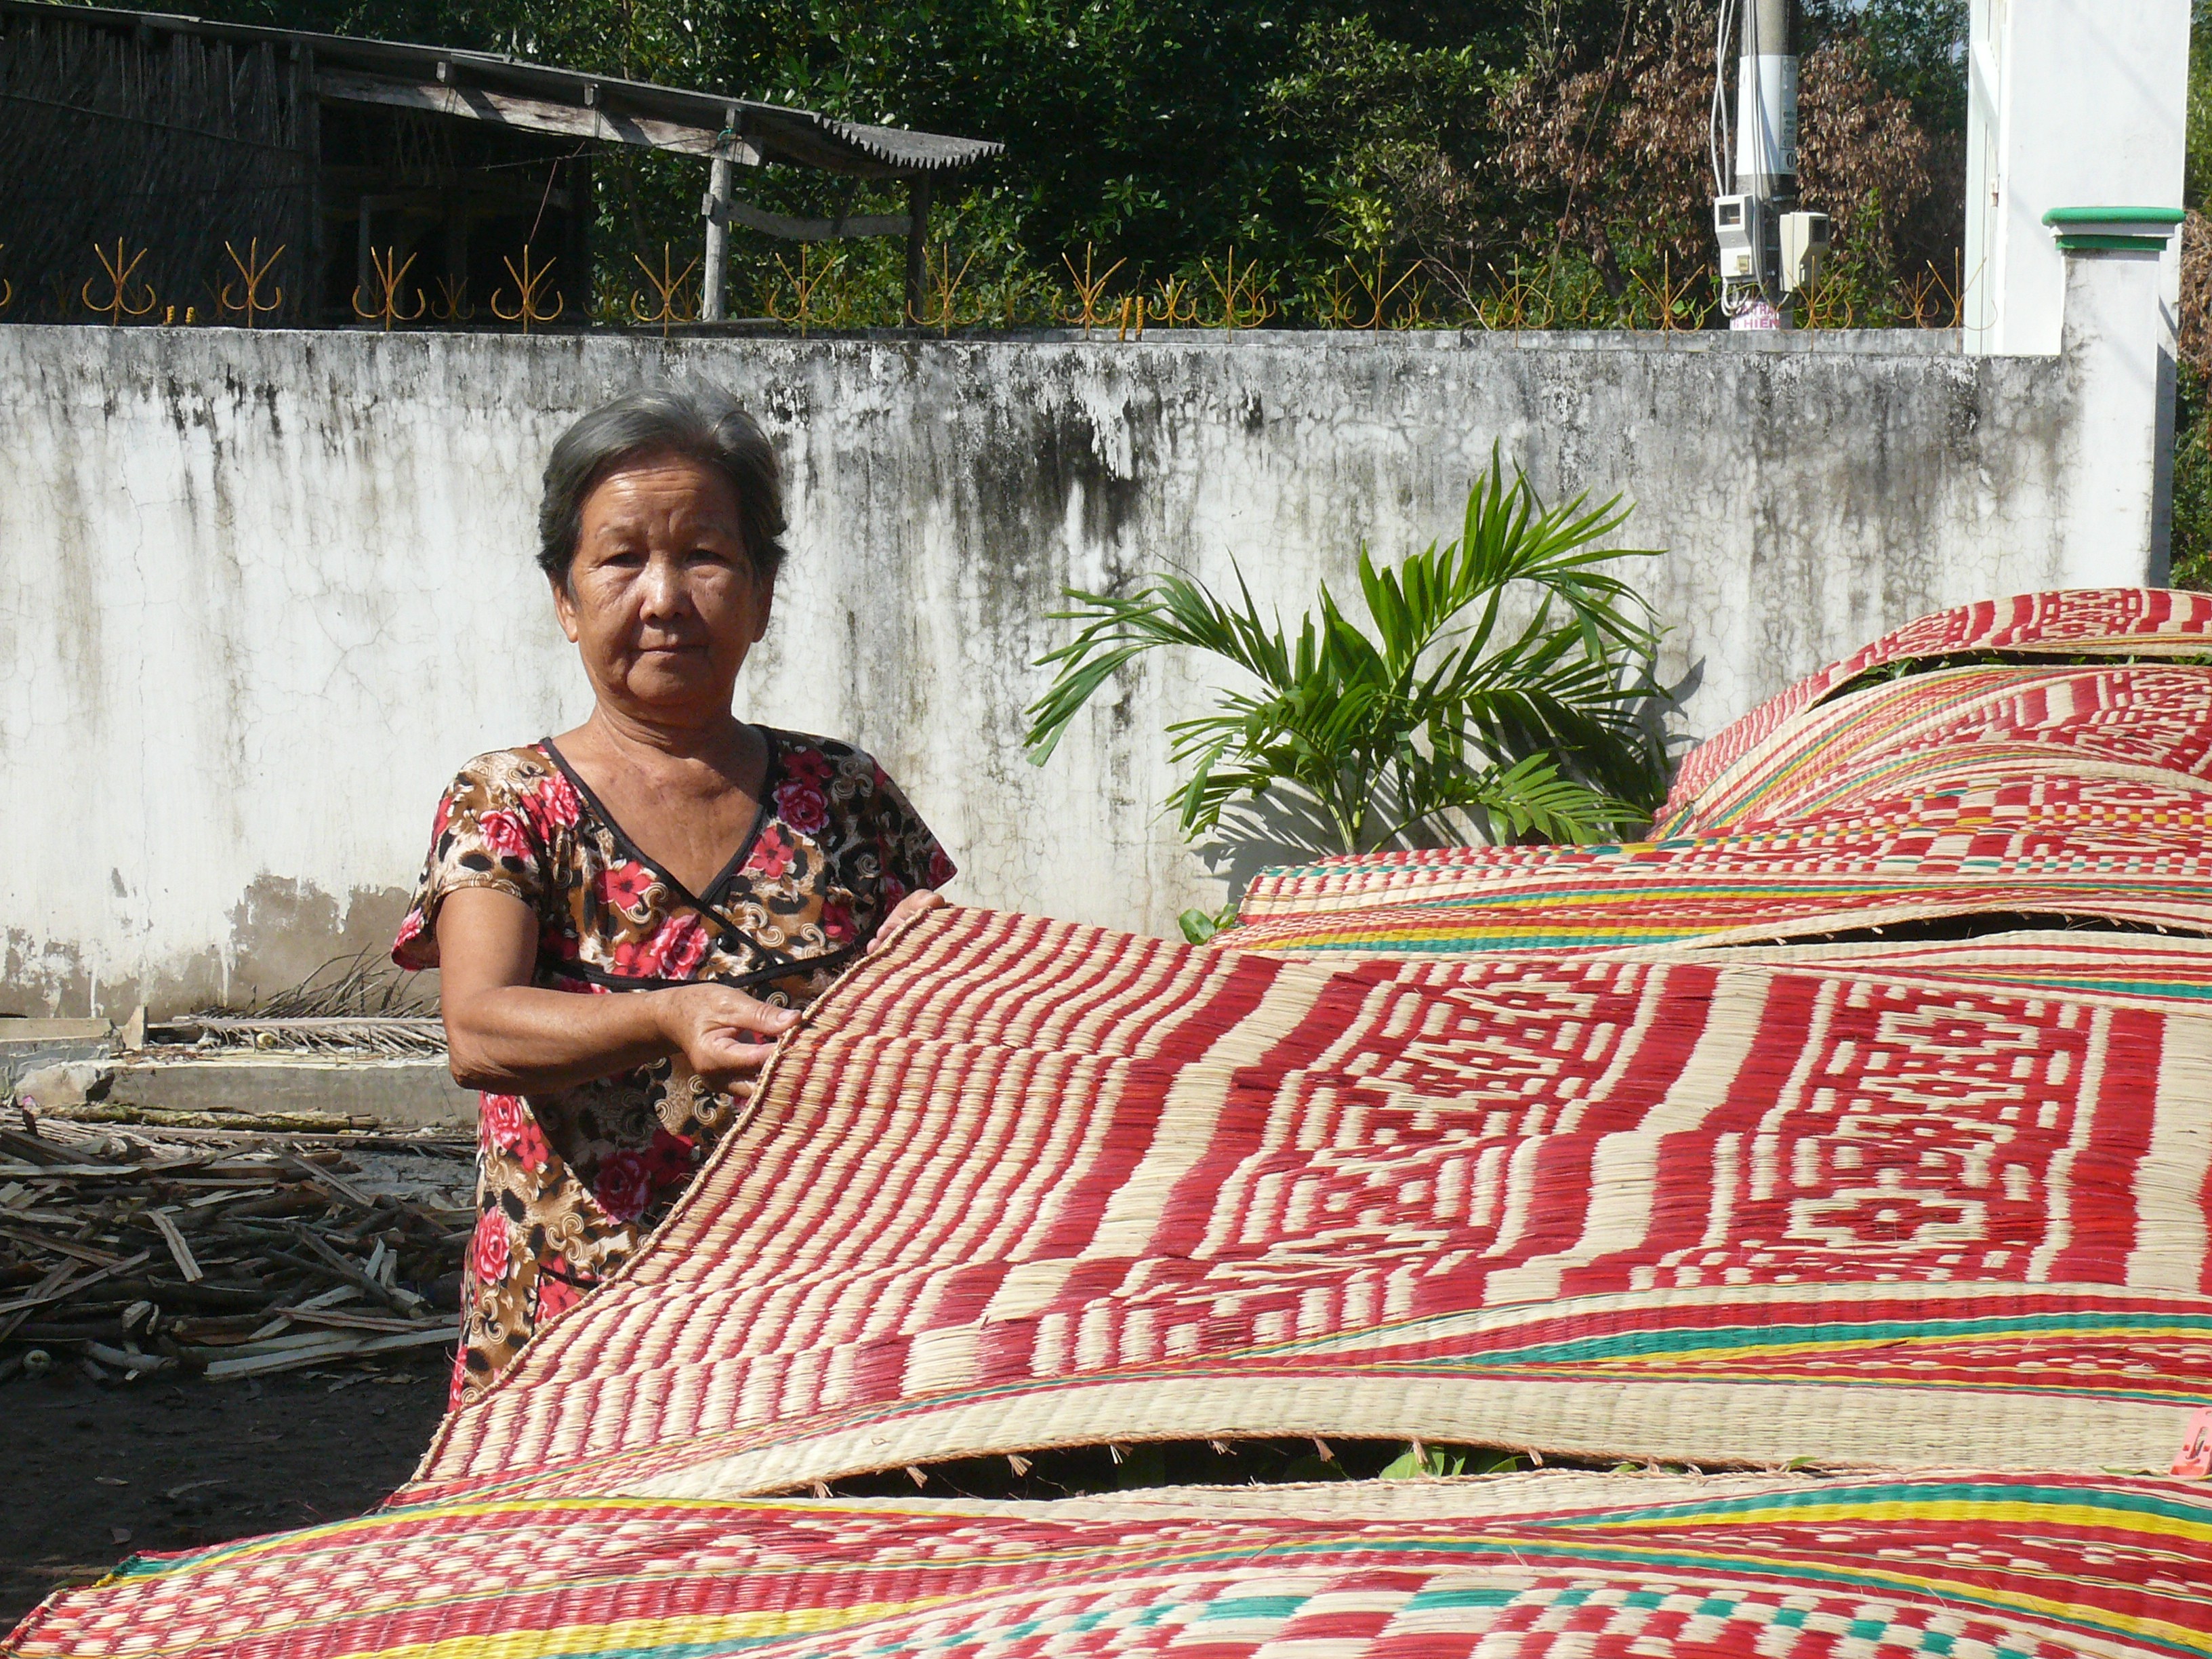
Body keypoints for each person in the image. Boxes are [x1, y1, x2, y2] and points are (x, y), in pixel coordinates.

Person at [393, 386, 954, 1404]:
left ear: (762, 590)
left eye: (704, 555)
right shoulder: (513, 801)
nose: (663, 598)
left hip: (810, 1330)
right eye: (620, 560)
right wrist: (665, 1018)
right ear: (565, 599)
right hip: (575, 1339)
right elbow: (478, 1031)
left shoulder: (843, 798)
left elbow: (949, 1002)